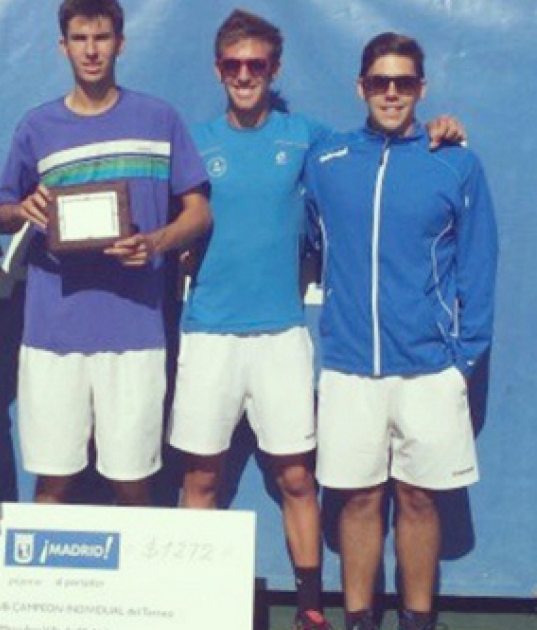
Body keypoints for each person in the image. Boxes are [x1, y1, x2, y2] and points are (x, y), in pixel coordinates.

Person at [167, 11, 470, 630]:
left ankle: (310, 606)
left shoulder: (313, 141)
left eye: (257, 65)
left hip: (282, 333)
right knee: (200, 474)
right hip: (208, 331)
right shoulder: (192, 141)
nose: (245, 75)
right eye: (233, 65)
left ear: (274, 70)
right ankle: (185, 604)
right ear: (218, 70)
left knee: (298, 476)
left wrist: (440, 129)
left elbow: (377, 149)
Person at [304, 33, 497, 630]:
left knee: (418, 500)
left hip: (430, 370)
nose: (392, 93)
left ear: (422, 88)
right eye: (380, 82)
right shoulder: (326, 161)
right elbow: (308, 244)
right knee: (357, 502)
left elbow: (479, 269)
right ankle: (360, 619)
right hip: (348, 366)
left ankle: (419, 619)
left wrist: (460, 362)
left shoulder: (456, 162)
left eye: (405, 82)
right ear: (361, 87)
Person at [0, 0, 212, 507]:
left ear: (121, 42)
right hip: (53, 335)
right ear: (62, 45)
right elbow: (1, 211)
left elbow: (199, 213)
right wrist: (23, 208)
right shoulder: (36, 127)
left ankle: (136, 589)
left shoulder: (159, 119)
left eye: (102, 37)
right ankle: (45, 590)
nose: (91, 50)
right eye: (79, 38)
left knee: (134, 483)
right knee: (52, 483)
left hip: (134, 333)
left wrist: (155, 242)